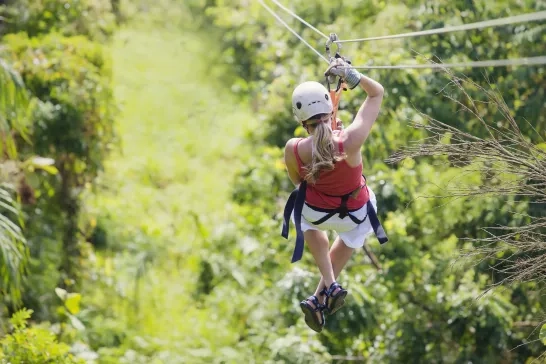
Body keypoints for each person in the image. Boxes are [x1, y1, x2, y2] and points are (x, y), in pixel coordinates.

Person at [281, 57, 387, 332]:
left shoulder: (294, 149)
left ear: (302, 122)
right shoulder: (351, 140)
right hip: (355, 213)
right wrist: (353, 76)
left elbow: (297, 180)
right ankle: (323, 292)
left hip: (317, 211)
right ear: (330, 111)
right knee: (354, 232)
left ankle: (327, 287)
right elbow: (377, 93)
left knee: (299, 209)